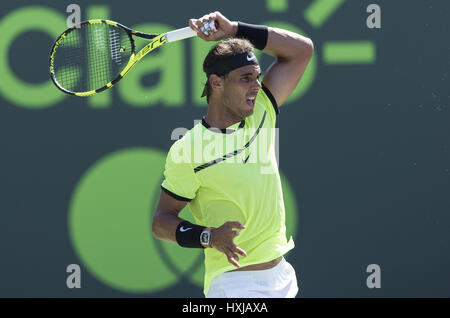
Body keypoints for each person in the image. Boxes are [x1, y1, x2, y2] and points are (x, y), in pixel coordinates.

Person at [152, 11, 314, 298]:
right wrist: (208, 237)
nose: (255, 87)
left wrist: (234, 29)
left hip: (283, 277)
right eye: (245, 79)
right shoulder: (189, 149)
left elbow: (302, 50)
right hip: (237, 286)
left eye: (257, 78)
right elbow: (162, 222)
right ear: (216, 83)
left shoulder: (262, 109)